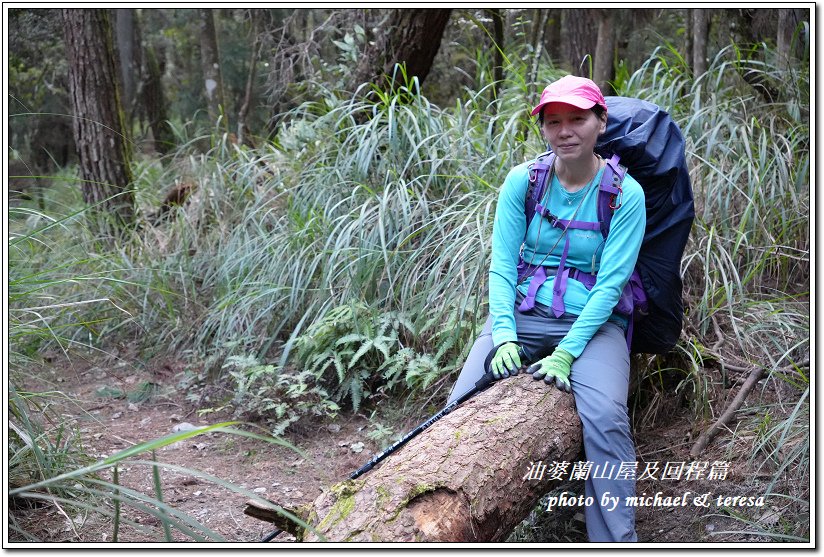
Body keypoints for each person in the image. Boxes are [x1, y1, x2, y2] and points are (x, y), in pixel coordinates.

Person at [446, 75, 646, 542]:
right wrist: (505, 334)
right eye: (554, 121)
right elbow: (501, 266)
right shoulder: (524, 181)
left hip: (594, 325)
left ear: (600, 122)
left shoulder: (625, 194)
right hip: (523, 313)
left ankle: (616, 541)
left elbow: (611, 285)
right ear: (543, 128)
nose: (565, 131)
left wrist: (567, 352)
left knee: (607, 416)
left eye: (577, 119)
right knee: (458, 406)